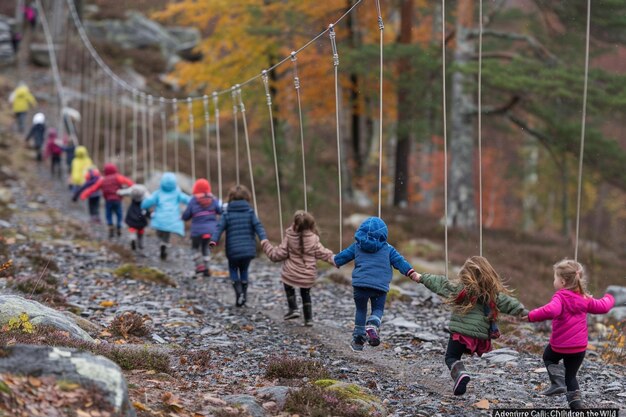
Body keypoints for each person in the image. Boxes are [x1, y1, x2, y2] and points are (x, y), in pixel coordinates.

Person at [410, 256, 527, 396]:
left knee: (451, 357)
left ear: (466, 273)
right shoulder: (492, 295)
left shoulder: (460, 289)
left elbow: (440, 283)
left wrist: (421, 277)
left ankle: (460, 374)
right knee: (458, 354)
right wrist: (523, 311)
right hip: (480, 336)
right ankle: (460, 379)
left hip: (460, 333)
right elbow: (508, 302)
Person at [526, 259, 615, 410]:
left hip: (560, 345)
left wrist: (531, 315)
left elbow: (551, 310)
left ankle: (557, 383)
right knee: (571, 376)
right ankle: (576, 406)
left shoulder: (560, 296)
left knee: (548, 357)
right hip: (579, 348)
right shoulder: (585, 298)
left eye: (554, 278)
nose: (554, 281)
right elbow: (603, 306)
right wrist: (610, 298)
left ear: (562, 281)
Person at [334, 217, 418, 352]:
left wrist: (335, 261)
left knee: (361, 310)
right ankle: (372, 325)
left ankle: (358, 341)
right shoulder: (388, 249)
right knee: (377, 309)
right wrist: (410, 272)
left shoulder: (357, 245)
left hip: (360, 285)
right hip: (380, 286)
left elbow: (343, 256)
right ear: (383, 235)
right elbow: (400, 262)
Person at [261, 211, 335, 326]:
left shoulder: (289, 237)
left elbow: (279, 254)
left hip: (291, 273)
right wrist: (336, 259)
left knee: (288, 284)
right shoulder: (314, 239)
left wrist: (266, 245)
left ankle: (293, 308)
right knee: (305, 294)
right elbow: (324, 253)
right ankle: (308, 319)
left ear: (295, 224)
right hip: (308, 275)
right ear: (311, 225)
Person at [210, 185, 267, 307]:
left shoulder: (227, 214)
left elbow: (219, 228)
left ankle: (238, 293)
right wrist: (263, 240)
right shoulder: (250, 213)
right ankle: (244, 295)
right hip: (248, 249)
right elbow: (259, 227)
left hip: (233, 250)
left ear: (230, 198)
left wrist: (213, 240)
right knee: (244, 269)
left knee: (233, 269)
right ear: (247, 197)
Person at [141, 172, 190, 260]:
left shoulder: (158, 193)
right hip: (172, 219)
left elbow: (148, 202)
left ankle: (161, 241)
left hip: (159, 219)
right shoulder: (177, 193)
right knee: (167, 232)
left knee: (160, 231)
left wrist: (143, 205)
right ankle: (164, 243)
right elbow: (187, 200)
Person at [80, 163, 133, 239]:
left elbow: (93, 188)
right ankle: (118, 225)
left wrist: (84, 194)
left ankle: (110, 224)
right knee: (119, 213)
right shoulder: (118, 177)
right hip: (117, 199)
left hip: (108, 200)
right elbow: (128, 182)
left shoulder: (103, 179)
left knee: (109, 214)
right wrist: (136, 187)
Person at [181, 178, 222, 277]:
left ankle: (199, 266)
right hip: (211, 230)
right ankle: (207, 268)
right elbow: (220, 211)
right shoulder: (213, 200)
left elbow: (187, 215)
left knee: (194, 248)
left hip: (197, 231)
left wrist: (183, 217)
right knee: (206, 248)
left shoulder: (193, 200)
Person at [117, 184, 150, 251]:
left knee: (132, 228)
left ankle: (132, 238)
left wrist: (118, 191)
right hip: (141, 217)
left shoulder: (131, 191)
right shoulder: (145, 199)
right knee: (140, 230)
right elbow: (150, 198)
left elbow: (122, 192)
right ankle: (140, 242)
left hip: (132, 214)